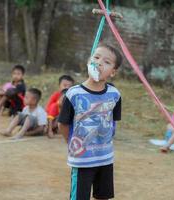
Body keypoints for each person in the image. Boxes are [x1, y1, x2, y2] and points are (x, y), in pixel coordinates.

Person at [58, 44, 122, 200]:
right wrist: (73, 144)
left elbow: (113, 121)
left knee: (103, 196)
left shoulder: (114, 94)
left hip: (105, 158)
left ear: (113, 72)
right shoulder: (73, 94)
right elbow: (63, 124)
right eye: (96, 57)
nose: (99, 63)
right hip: (82, 160)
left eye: (106, 62)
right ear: (89, 61)